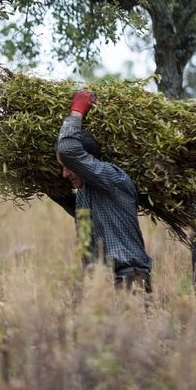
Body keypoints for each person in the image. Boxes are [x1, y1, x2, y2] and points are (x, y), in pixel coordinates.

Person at [53, 90, 152, 293]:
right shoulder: (83, 194)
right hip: (100, 287)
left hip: (129, 280)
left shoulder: (113, 178)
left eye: (68, 166)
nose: (64, 174)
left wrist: (77, 111)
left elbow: (68, 149)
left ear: (87, 159)